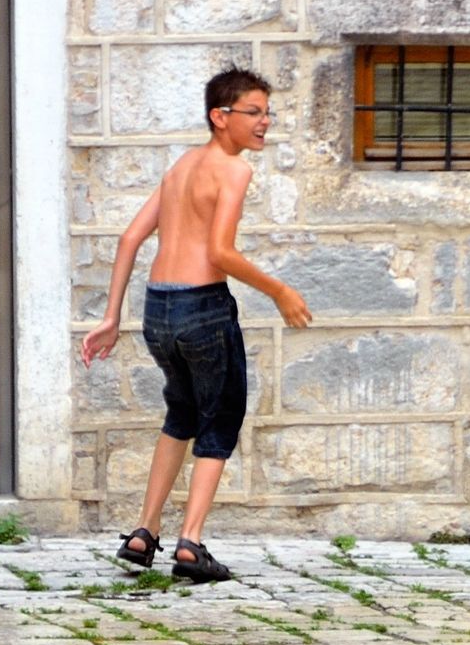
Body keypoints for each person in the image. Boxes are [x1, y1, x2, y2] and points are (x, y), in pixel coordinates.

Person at [79, 67, 311, 582]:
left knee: (181, 413)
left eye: (267, 112)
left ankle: (143, 533)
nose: (265, 122)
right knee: (221, 417)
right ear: (219, 116)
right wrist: (280, 291)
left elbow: (128, 239)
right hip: (203, 307)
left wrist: (113, 317)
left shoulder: (181, 166)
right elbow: (220, 252)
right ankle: (191, 543)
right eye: (254, 112)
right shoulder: (233, 172)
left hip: (158, 309)